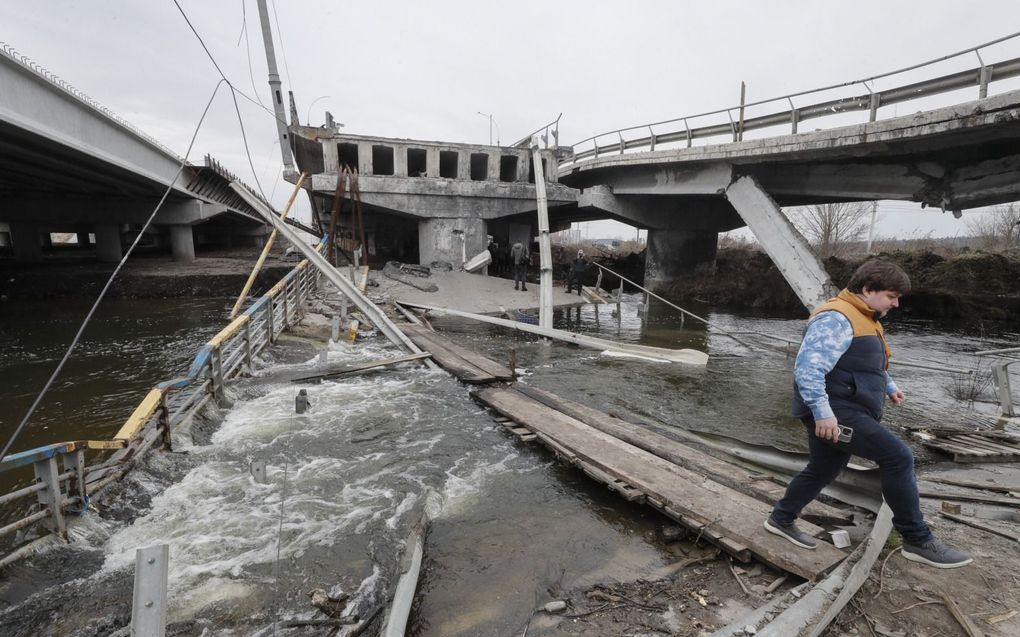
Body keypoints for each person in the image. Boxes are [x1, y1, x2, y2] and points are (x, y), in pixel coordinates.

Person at [765, 259, 972, 569]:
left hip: (843, 407)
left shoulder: (864, 316)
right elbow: (807, 370)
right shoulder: (836, 318)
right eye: (891, 296)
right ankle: (916, 539)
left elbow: (864, 361)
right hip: (835, 411)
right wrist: (823, 415)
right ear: (867, 289)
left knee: (823, 468)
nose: (896, 303)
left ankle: (781, 518)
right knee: (898, 456)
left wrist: (889, 386)